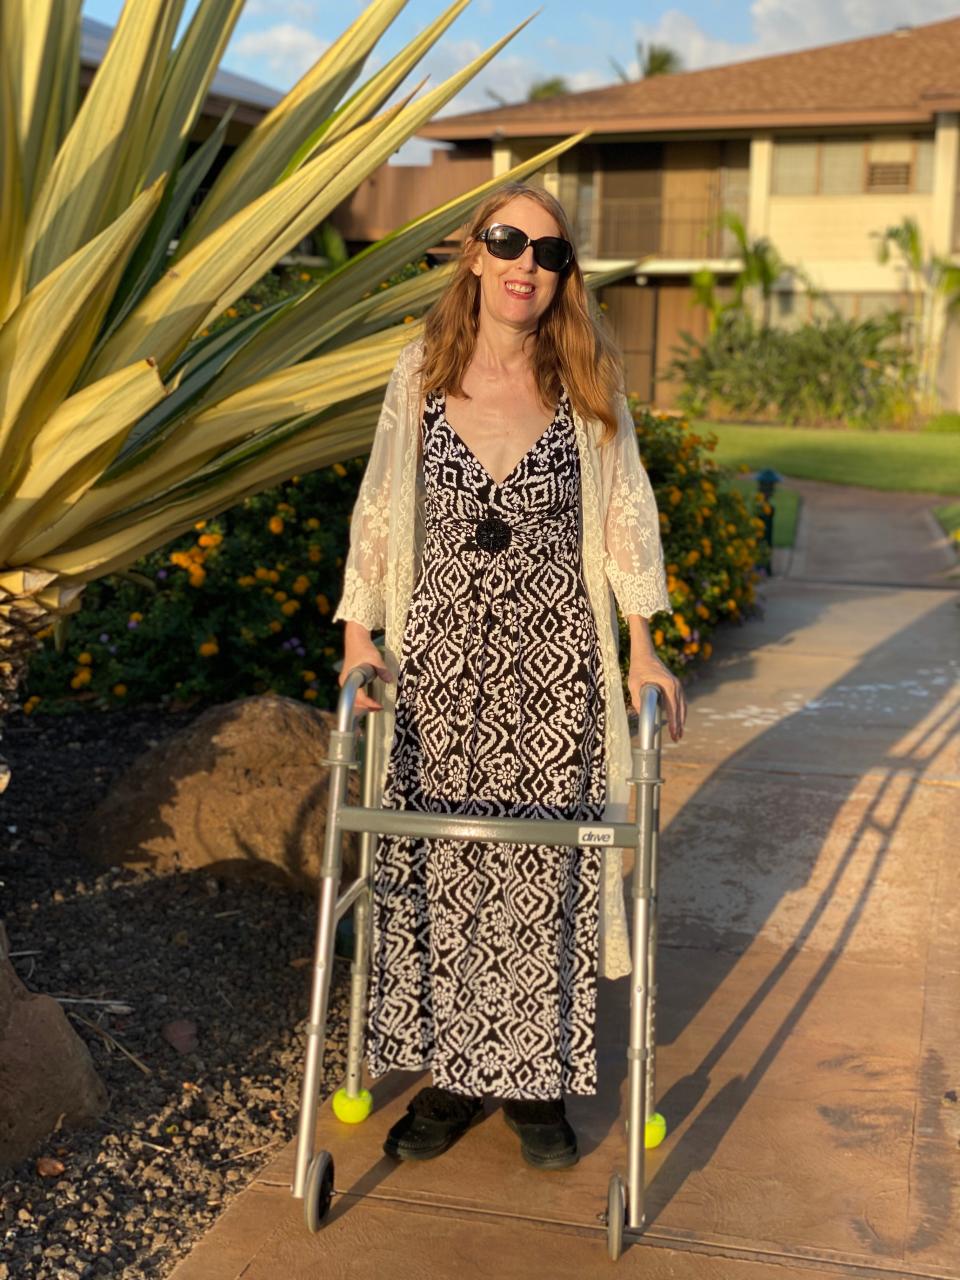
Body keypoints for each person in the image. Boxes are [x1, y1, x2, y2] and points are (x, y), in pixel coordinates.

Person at [332, 181, 685, 1172]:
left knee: (543, 871)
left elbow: (626, 513)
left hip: (554, 670)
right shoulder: (420, 371)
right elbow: (379, 504)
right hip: (434, 666)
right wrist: (360, 634)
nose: (529, 261)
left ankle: (534, 1087)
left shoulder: (588, 378)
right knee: (441, 867)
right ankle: (452, 1078)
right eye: (508, 240)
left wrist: (642, 643)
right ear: (475, 255)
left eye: (551, 251)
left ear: (565, 274)